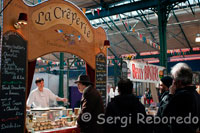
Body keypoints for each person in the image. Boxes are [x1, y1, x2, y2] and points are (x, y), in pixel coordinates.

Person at [161, 63, 200, 133]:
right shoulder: (196, 94)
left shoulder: (180, 96)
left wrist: (170, 94)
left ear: (178, 82)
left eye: (173, 79)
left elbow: (165, 117)